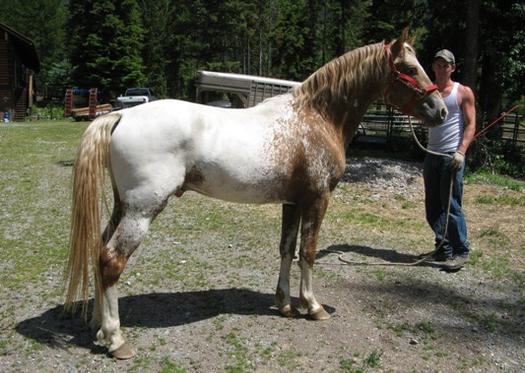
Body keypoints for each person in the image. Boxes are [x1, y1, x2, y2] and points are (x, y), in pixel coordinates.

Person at [423, 49, 476, 270]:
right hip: (431, 155)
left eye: (445, 65)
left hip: (450, 157)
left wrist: (461, 152)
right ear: (433, 67)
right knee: (433, 206)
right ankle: (443, 249)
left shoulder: (462, 92)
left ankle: (461, 250)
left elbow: (471, 124)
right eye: (438, 64)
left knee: (452, 206)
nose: (441, 68)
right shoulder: (429, 91)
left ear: (452, 68)